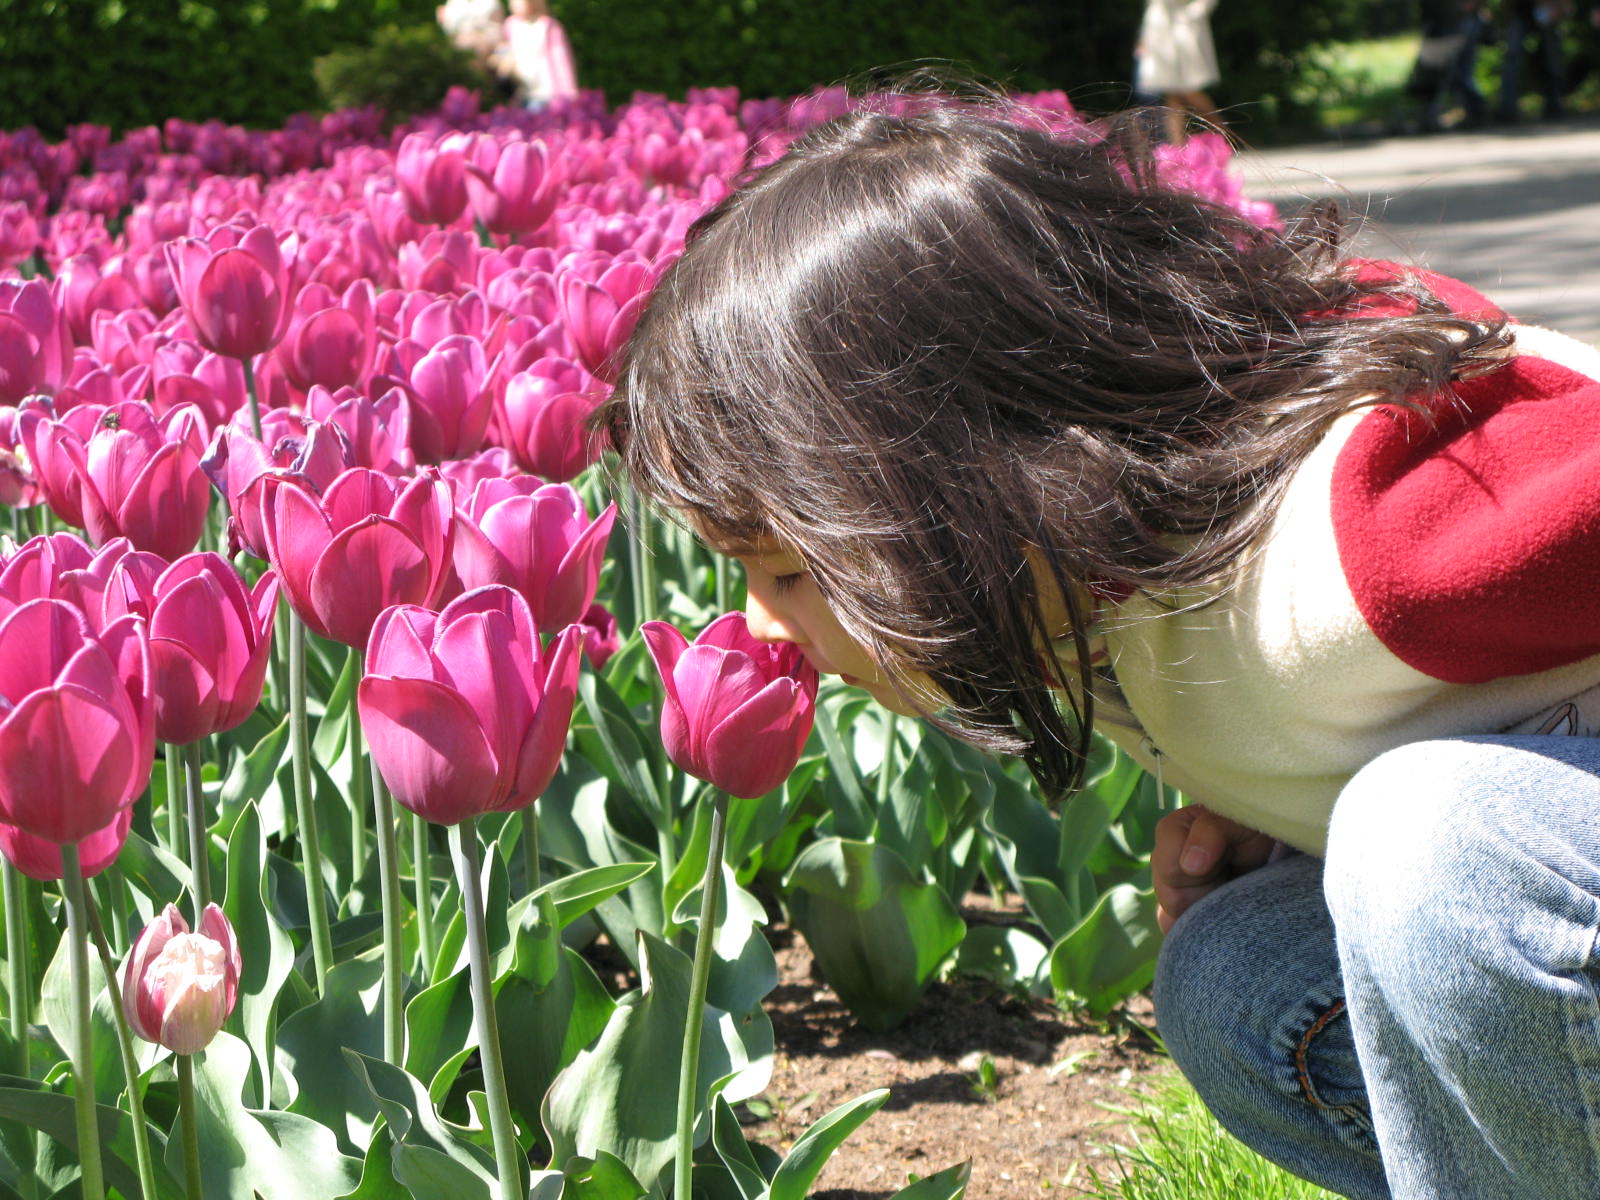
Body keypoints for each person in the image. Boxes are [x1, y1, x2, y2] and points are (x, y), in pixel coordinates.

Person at [605, 95, 1600, 1199]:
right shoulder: (1086, 598)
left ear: (969, 482)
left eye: (789, 569)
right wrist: (1302, 808)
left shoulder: (1383, 541)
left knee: (1432, 843)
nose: (752, 625)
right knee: (1239, 972)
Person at [1134, 0, 1222, 144]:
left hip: (1184, 31)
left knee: (1189, 90)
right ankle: (1177, 148)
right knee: (1172, 95)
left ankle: (1223, 134)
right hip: (1159, 35)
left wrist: (1194, 13)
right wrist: (1143, 37)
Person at [492, 0, 578, 110]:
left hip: (546, 94)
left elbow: (561, 61)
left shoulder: (548, 26)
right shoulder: (511, 24)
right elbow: (505, 49)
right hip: (521, 94)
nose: (512, 4)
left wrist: (568, 92)